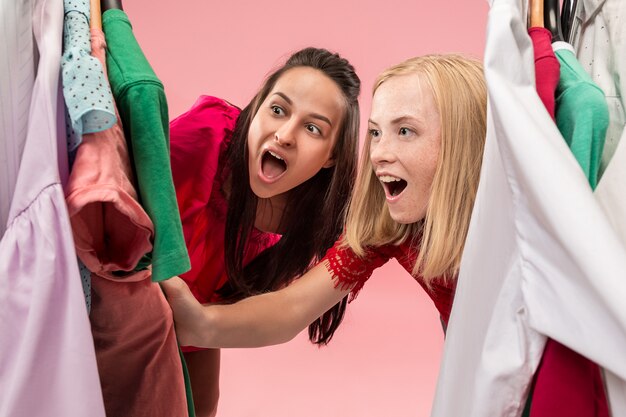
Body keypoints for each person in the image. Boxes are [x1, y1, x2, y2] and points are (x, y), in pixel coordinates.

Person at [161, 54, 486, 355]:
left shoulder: (514, 215)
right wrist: (202, 325)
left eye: (405, 131)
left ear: (463, 140)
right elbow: (293, 307)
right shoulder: (389, 228)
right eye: (375, 133)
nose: (379, 154)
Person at [169, 47, 361, 417]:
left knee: (202, 407)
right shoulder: (206, 135)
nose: (285, 135)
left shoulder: (317, 220)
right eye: (277, 110)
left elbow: (285, 311)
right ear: (256, 108)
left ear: (332, 157)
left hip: (196, 325)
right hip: (129, 292)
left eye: (312, 128)